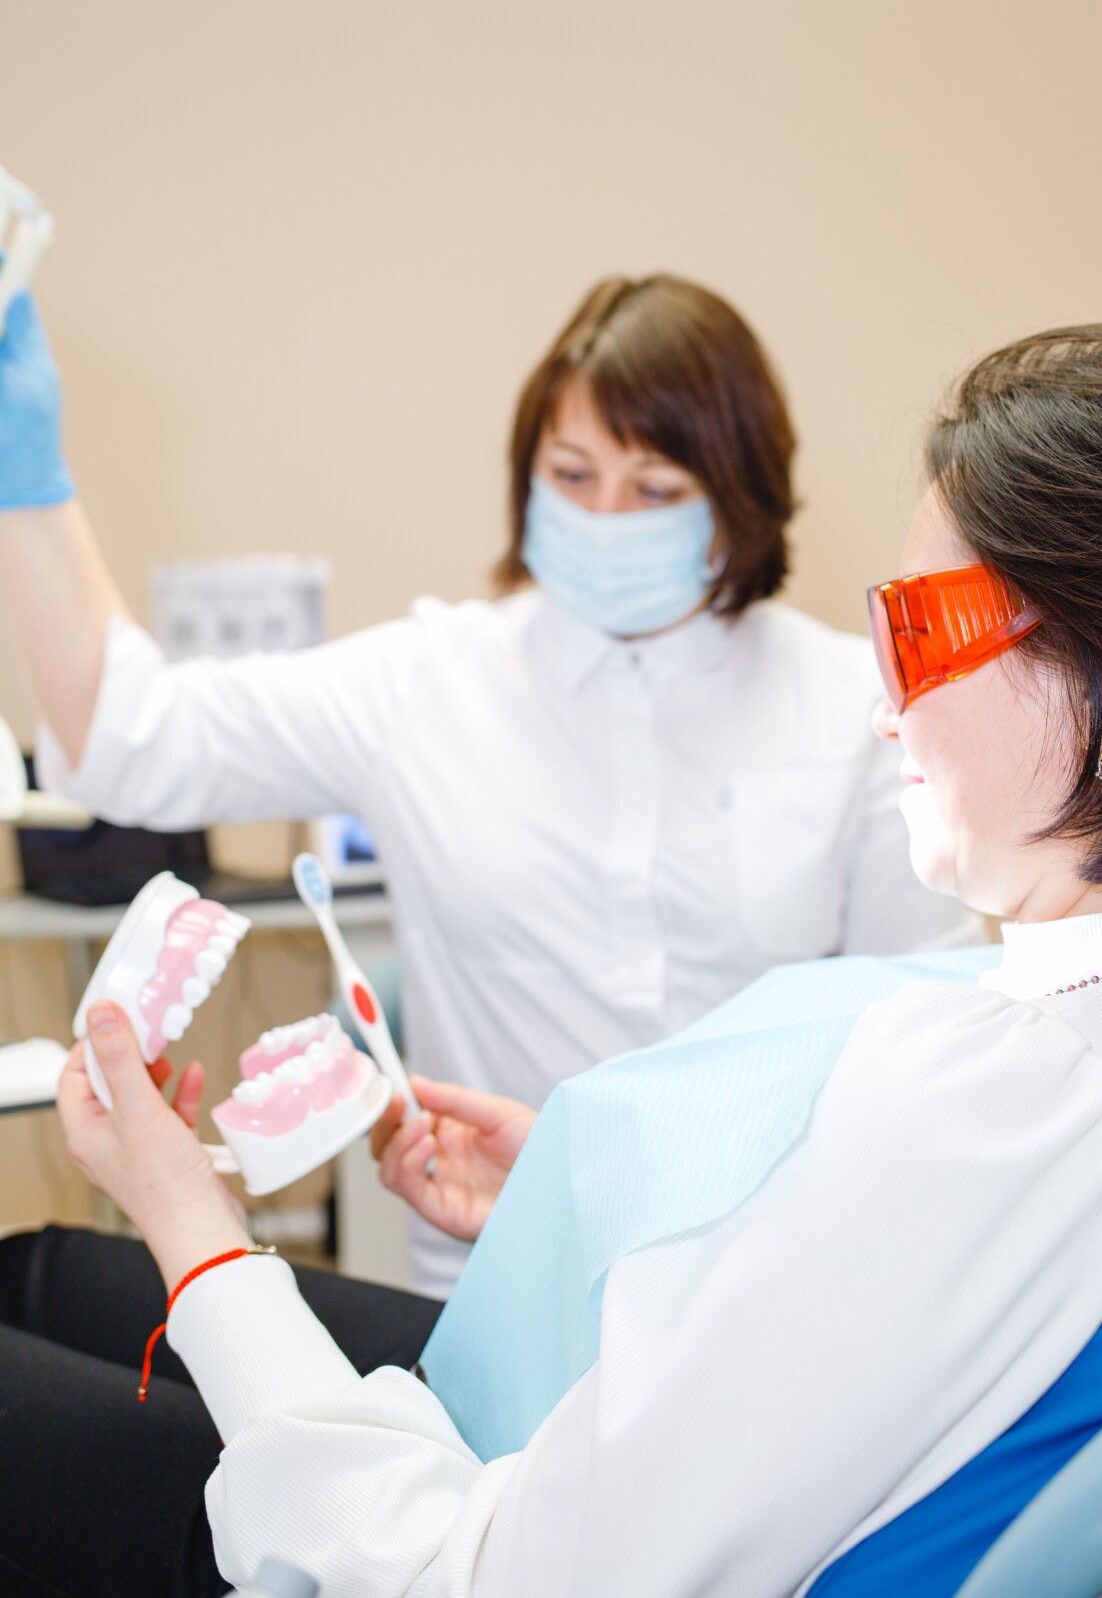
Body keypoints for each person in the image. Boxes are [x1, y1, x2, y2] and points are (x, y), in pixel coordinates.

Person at [3, 318, 1102, 1598]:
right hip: (603, 1319)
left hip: (537, 1472)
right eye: (570, 473)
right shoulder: (1070, 1024)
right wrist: (578, 1196)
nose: (888, 707)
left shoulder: (982, 1094)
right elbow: (134, 734)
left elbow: (465, 1572)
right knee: (36, 1277)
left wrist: (185, 1211)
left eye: (919, 634)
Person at [0, 275, 978, 1295]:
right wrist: (28, 483)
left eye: (654, 489)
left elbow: (925, 1018)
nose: (604, 517)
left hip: (759, 1277)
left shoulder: (854, 707)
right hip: (490, 1275)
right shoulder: (426, 686)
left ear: (741, 497)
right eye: (571, 473)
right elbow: (129, 738)